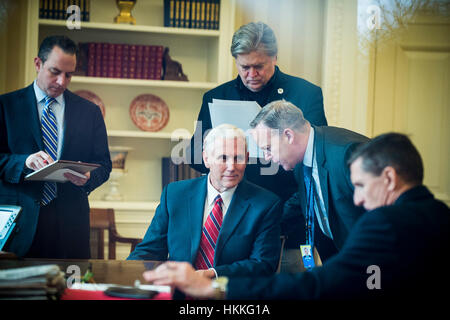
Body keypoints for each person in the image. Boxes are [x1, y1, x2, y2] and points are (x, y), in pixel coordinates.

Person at [142, 133, 450, 300]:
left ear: (390, 178)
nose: (356, 198)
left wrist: (215, 288)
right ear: (207, 159)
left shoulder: (382, 224)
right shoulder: (440, 214)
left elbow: (316, 284)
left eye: (359, 185)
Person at [188, 22, 328, 267]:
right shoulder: (215, 97)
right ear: (235, 61)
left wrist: (279, 215)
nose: (251, 74)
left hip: (291, 222)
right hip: (233, 224)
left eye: (259, 66)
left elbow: (315, 160)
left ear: (274, 57)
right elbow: (196, 158)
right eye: (244, 67)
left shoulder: (306, 94)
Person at [0, 35, 111, 259]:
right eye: (55, 71)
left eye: (69, 75)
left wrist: (89, 177)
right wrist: (23, 162)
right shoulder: (5, 106)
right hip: (18, 225)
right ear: (38, 64)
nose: (62, 81)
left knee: (71, 292)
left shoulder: (89, 112)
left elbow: (105, 164)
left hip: (71, 228)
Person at [128, 124, 282, 278]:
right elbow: (150, 250)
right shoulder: (175, 195)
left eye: (238, 158)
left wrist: (213, 274)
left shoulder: (266, 204)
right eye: (223, 158)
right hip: (179, 292)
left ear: (247, 158)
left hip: (232, 294)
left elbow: (263, 264)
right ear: (206, 159)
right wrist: (124, 275)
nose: (231, 167)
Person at [250, 100, 368, 263]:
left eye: (268, 148)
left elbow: (383, 212)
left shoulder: (347, 153)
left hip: (371, 263)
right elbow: (305, 196)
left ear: (289, 136)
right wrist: (265, 224)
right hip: (338, 261)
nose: (266, 157)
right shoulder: (300, 160)